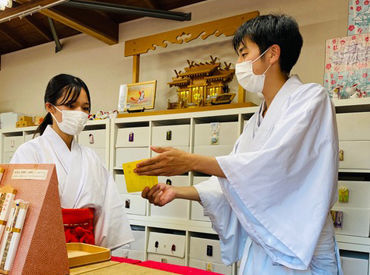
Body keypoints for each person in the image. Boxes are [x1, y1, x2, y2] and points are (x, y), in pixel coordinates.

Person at [135, 14, 342, 274]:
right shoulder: (256, 119)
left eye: (244, 54)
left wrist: (190, 161)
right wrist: (178, 192)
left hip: (300, 247)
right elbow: (236, 181)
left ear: (272, 53)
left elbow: (273, 167)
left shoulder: (312, 99)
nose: (239, 63)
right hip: (262, 250)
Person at [11, 74, 134, 249]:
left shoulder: (92, 158)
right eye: (70, 105)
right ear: (50, 107)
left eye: (85, 108)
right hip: (43, 248)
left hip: (87, 249)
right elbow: (20, 211)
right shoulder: (29, 153)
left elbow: (109, 211)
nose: (79, 113)